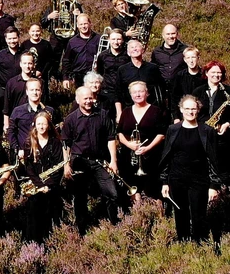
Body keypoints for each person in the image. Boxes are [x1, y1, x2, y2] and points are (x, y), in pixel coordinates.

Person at [157, 95, 222, 244]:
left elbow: (213, 160)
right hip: (176, 178)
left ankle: (200, 244)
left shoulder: (207, 130)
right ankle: (184, 243)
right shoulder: (172, 129)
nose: (190, 112)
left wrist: (214, 185)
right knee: (180, 212)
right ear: (181, 110)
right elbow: (166, 157)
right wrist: (164, 182)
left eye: (193, 109)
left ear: (198, 110)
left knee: (199, 214)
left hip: (199, 179)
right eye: (187, 109)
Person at [61, 86, 119, 234]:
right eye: (85, 98)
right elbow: (66, 144)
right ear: (77, 100)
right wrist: (66, 165)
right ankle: (82, 230)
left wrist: (113, 161)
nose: (88, 101)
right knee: (80, 197)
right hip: (79, 161)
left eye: (90, 98)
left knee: (112, 193)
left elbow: (111, 139)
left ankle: (114, 226)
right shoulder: (71, 119)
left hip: (100, 161)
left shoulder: (103, 115)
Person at [116, 81, 166, 200]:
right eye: (134, 92)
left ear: (147, 93)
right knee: (133, 190)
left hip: (152, 156)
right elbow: (119, 133)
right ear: (130, 95)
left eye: (140, 91)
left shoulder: (156, 111)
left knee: (153, 191)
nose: (137, 94)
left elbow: (161, 134)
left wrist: (147, 148)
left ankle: (156, 210)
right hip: (130, 157)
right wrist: (129, 145)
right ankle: (137, 209)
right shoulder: (126, 111)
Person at [20, 112, 65, 241]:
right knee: (34, 214)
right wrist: (40, 184)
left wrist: (49, 184)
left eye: (44, 124)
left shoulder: (55, 143)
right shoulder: (29, 143)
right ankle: (33, 244)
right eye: (39, 124)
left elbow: (59, 166)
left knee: (51, 215)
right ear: (34, 125)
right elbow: (28, 168)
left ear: (49, 125)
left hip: (52, 186)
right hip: (36, 186)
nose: (41, 127)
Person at [193, 61, 230, 182]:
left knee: (222, 165)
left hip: (221, 135)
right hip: (202, 132)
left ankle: (223, 189)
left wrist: (227, 124)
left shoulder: (229, 92)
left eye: (219, 72)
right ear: (206, 73)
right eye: (213, 72)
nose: (216, 75)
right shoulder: (198, 91)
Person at [115, 39, 164, 122]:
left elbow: (161, 89)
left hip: (150, 110)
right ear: (128, 52)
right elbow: (118, 93)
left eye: (137, 46)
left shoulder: (153, 68)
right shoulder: (122, 70)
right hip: (129, 110)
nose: (135, 49)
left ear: (143, 50)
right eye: (132, 47)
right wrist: (119, 113)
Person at [7, 79, 53, 158]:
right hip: (24, 155)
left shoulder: (49, 111)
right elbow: (11, 131)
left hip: (45, 154)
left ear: (41, 92)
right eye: (32, 90)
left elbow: (54, 133)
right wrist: (17, 149)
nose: (35, 93)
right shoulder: (17, 111)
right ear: (27, 92)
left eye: (37, 90)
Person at [0, 26, 23, 120]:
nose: (12, 41)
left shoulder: (24, 54)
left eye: (14, 38)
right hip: (2, 94)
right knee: (0, 120)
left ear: (18, 38)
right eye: (9, 39)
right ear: (6, 39)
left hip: (21, 93)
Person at [3, 51, 42, 128]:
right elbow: (6, 106)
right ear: (20, 64)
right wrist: (6, 124)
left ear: (33, 65)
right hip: (16, 121)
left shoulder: (40, 83)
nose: (27, 66)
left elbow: (44, 104)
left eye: (30, 63)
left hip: (35, 122)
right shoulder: (12, 83)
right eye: (24, 63)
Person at [60, 14, 100, 90]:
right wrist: (65, 78)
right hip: (79, 76)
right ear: (77, 25)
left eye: (85, 23)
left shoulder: (99, 39)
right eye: (81, 24)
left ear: (90, 23)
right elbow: (66, 60)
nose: (83, 26)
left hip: (96, 75)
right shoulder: (72, 41)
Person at [94, 29, 128, 113]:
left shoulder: (128, 55)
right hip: (107, 92)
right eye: (113, 39)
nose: (116, 42)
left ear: (123, 40)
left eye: (119, 39)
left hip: (123, 92)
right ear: (108, 39)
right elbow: (99, 73)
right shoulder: (102, 55)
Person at [151, 24, 188, 100]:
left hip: (180, 89)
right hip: (162, 90)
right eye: (168, 34)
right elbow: (153, 69)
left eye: (173, 33)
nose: (170, 36)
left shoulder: (185, 50)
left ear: (177, 34)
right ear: (163, 35)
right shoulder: (156, 51)